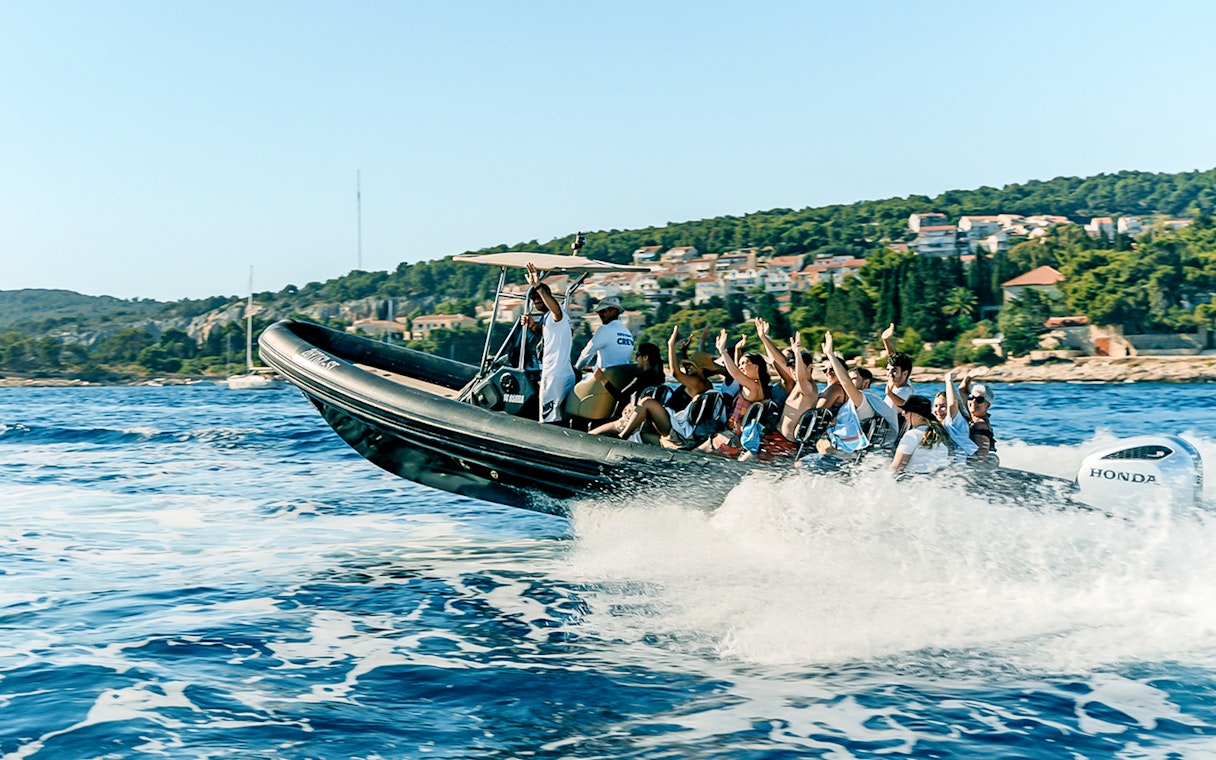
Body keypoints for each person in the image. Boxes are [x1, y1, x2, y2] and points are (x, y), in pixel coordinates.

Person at [590, 326, 717, 442]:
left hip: (676, 426)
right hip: (672, 420)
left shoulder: (696, 382)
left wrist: (671, 345)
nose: (688, 368)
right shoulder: (704, 383)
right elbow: (697, 364)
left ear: (701, 369)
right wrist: (695, 344)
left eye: (691, 366)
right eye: (687, 365)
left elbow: (676, 373)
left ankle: (622, 437)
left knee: (646, 402)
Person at [749, 320, 817, 462]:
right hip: (776, 437)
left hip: (785, 442)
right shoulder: (797, 384)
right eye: (791, 367)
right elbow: (780, 362)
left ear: (809, 367)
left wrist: (797, 354)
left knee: (747, 462)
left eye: (796, 367)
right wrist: (764, 338)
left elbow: (802, 377)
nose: (792, 371)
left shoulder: (808, 387)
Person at [702, 329, 769, 457]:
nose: (741, 366)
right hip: (733, 436)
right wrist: (738, 350)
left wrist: (723, 351)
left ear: (757, 366)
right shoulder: (756, 385)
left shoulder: (753, 386)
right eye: (740, 363)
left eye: (746, 363)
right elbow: (738, 370)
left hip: (732, 440)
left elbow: (736, 373)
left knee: (697, 453)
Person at [521, 262, 574, 424]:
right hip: (561, 373)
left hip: (554, 376)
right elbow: (548, 340)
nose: (536, 300)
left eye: (539, 296)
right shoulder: (548, 320)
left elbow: (556, 311)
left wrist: (537, 286)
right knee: (558, 417)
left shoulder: (557, 315)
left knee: (549, 421)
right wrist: (532, 326)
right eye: (533, 298)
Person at [891, 394, 951, 475]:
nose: (903, 414)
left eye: (906, 411)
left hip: (912, 483)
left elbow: (896, 468)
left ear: (918, 415)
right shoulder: (942, 434)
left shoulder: (912, 435)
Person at [593, 342, 665, 409]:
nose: (636, 359)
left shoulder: (642, 378)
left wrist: (602, 379)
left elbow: (621, 397)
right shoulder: (658, 377)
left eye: (637, 355)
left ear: (645, 357)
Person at [574, 296, 635, 372]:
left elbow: (587, 353)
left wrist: (576, 369)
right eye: (598, 312)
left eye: (603, 311)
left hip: (605, 379)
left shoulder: (605, 329)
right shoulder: (627, 332)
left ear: (613, 310)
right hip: (621, 378)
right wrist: (591, 368)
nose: (600, 314)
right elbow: (614, 361)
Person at [938, 369, 980, 465]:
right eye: (936, 406)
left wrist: (948, 380)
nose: (938, 410)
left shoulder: (954, 422)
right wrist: (968, 377)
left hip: (956, 467)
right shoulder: (942, 424)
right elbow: (963, 390)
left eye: (943, 406)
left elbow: (952, 404)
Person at [959, 372, 997, 463]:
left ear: (987, 406)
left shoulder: (980, 424)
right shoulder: (973, 411)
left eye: (979, 400)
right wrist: (970, 376)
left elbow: (981, 456)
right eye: (971, 397)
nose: (974, 402)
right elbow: (962, 390)